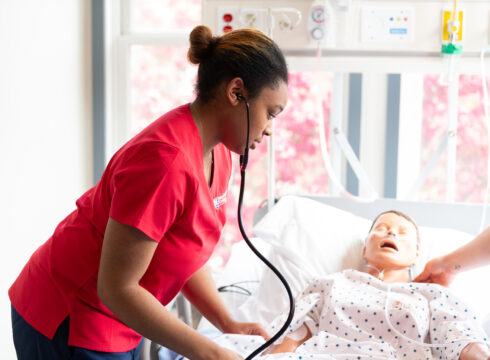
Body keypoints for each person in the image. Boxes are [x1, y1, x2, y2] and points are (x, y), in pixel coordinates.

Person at [9, 25, 288, 360]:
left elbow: (184, 248)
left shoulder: (219, 153)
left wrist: (227, 322)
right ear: (236, 92)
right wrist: (210, 353)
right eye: (270, 113)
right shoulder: (165, 162)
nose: (270, 129)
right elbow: (117, 288)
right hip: (70, 315)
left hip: (121, 314)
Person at [212, 211, 490, 359]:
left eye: (402, 232)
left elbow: (462, 341)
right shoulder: (332, 284)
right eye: (380, 228)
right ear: (366, 248)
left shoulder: (432, 295)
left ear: (417, 254)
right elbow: (293, 335)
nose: (391, 231)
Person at [414, 227, 490, 287]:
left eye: (403, 232)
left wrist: (447, 265)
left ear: (416, 254)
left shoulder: (436, 295)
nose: (401, 239)